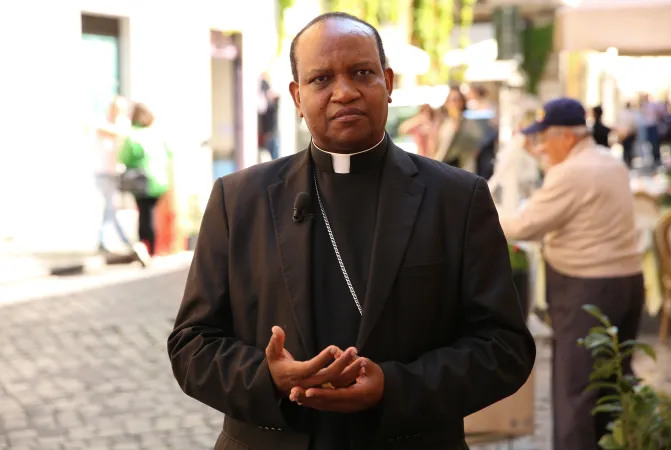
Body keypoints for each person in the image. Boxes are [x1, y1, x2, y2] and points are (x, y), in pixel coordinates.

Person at [168, 12, 535, 450]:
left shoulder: (456, 199)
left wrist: (395, 388)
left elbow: (504, 347)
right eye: (321, 79)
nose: (344, 92)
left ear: (388, 81)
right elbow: (191, 345)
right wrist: (267, 378)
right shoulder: (239, 199)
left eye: (362, 73)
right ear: (297, 97)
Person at [499, 98, 644, 450]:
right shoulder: (609, 163)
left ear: (565, 136)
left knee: (576, 392)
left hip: (586, 289)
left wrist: (480, 213)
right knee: (611, 387)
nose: (541, 147)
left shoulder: (572, 173)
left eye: (544, 138)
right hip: (627, 283)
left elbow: (523, 226)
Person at [118, 102, 173, 261]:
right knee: (150, 214)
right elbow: (169, 153)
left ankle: (147, 250)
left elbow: (124, 157)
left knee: (144, 216)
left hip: (142, 181)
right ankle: (153, 249)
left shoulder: (133, 135)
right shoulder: (157, 134)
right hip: (160, 180)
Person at [94, 96, 135, 255]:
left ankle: (109, 241)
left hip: (115, 173)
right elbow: (107, 131)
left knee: (110, 208)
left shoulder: (122, 124)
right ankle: (125, 241)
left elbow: (123, 134)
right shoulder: (103, 123)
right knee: (111, 207)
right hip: (103, 172)